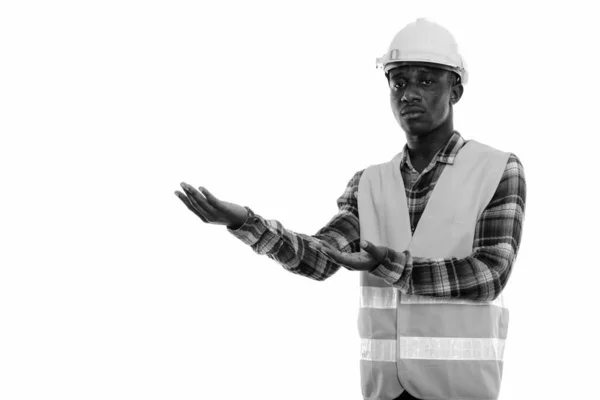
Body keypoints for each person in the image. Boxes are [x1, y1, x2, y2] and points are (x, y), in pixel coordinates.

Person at [174, 18, 526, 400]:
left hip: (462, 391)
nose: (409, 93)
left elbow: (490, 273)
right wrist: (245, 222)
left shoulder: (497, 168)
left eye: (426, 81)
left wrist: (388, 265)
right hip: (383, 391)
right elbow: (321, 259)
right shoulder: (370, 182)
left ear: (455, 89)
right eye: (399, 81)